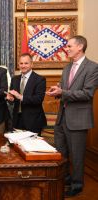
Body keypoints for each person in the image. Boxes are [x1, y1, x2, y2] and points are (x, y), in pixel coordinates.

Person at [46, 35, 98, 197]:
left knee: (77, 154)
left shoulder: (92, 67)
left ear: (80, 47)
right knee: (61, 152)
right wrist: (57, 91)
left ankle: (77, 184)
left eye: (69, 46)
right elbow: (64, 89)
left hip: (78, 120)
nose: (66, 49)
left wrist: (63, 92)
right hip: (62, 118)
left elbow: (87, 94)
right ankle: (66, 178)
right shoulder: (67, 68)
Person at [6, 53, 46, 134]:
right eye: (21, 63)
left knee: (32, 146)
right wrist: (10, 99)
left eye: (26, 63)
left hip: (33, 120)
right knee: (17, 145)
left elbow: (38, 99)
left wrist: (21, 97)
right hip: (17, 119)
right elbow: (13, 100)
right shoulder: (15, 79)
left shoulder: (40, 79)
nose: (23, 66)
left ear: (32, 64)